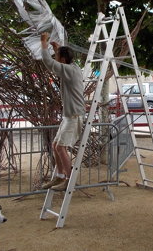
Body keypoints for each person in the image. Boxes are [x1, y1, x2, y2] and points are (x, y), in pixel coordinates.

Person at [40, 32, 85, 191]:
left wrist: (43, 42)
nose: (55, 58)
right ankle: (59, 176)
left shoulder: (69, 70)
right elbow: (60, 59)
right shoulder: (73, 67)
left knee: (60, 148)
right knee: (55, 145)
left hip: (74, 116)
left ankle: (68, 180)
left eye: (57, 55)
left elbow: (47, 61)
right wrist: (57, 47)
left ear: (63, 60)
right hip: (69, 116)